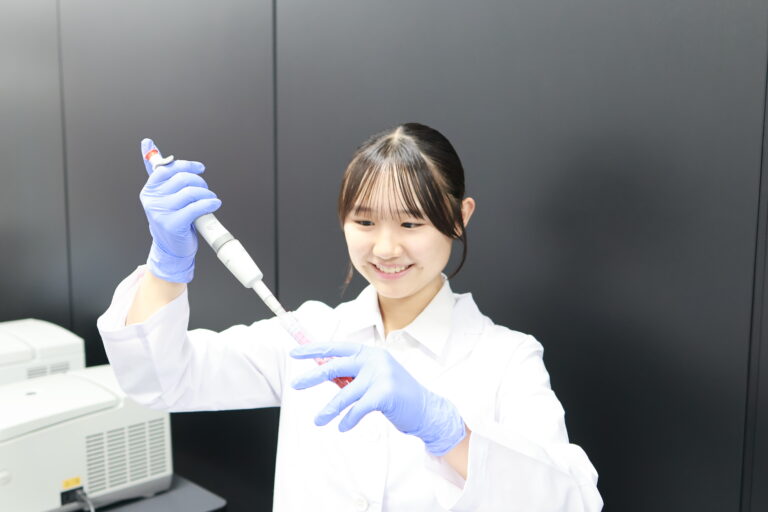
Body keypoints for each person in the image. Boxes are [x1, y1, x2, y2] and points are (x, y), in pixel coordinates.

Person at [97, 123, 603, 511]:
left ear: (459, 217)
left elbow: (573, 502)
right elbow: (161, 383)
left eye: (411, 222)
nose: (385, 248)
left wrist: (448, 432)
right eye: (364, 221)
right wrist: (167, 265)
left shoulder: (507, 358)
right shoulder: (307, 336)